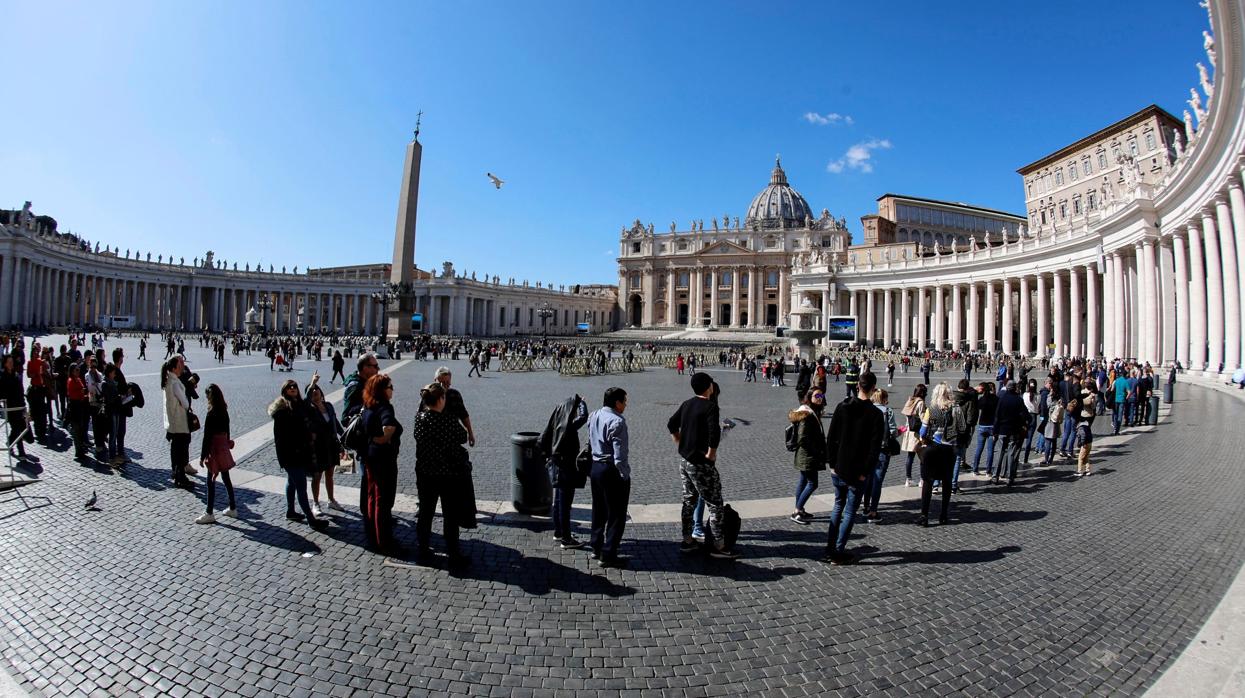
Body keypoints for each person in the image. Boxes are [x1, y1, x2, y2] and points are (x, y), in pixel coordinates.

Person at [668, 372, 738, 559]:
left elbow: (671, 424)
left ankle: (687, 541)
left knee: (688, 501)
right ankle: (718, 545)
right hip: (701, 464)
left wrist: (680, 443)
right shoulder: (710, 406)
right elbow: (714, 433)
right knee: (715, 504)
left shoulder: (687, 403)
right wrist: (711, 455)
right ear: (709, 387)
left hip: (685, 462)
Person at [821, 371, 884, 564]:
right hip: (858, 473)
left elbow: (831, 438)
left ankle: (830, 548)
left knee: (838, 506)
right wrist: (865, 473)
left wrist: (831, 464)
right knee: (849, 511)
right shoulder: (875, 414)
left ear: (858, 386)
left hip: (839, 467)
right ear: (873, 389)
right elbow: (874, 450)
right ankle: (838, 551)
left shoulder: (842, 407)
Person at [412, 381, 471, 567]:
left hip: (425, 472)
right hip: (447, 474)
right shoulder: (447, 420)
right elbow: (462, 436)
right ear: (440, 399)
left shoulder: (419, 418)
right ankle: (453, 553)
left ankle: (422, 548)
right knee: (450, 515)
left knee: (426, 512)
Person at [269, 379, 329, 531]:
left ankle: (290, 512)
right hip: (291, 455)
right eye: (289, 387)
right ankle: (311, 519)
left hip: (299, 452)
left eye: (295, 386)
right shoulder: (282, 410)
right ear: (284, 390)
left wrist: (313, 383)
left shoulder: (298, 405)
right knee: (301, 485)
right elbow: (281, 438)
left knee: (291, 482)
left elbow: (307, 399)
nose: (293, 388)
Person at [588, 387, 632, 568]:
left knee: (598, 509)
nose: (626, 404)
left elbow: (590, 440)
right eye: (625, 401)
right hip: (610, 470)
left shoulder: (593, 415)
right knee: (617, 513)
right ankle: (608, 553)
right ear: (617, 403)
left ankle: (596, 545)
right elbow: (619, 455)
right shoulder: (618, 422)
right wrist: (624, 474)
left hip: (595, 467)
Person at [539, 393, 589, 548]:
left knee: (559, 501)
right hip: (566, 467)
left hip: (556, 465)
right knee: (565, 503)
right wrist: (581, 403)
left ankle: (559, 532)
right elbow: (584, 417)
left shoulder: (557, 422)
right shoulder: (568, 426)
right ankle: (566, 539)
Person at [343, 353, 380, 530]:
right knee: (367, 478)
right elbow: (346, 415)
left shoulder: (366, 383)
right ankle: (368, 515)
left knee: (369, 479)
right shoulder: (355, 387)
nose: (377, 369)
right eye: (374, 366)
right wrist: (367, 411)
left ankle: (371, 512)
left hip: (369, 438)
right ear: (365, 368)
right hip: (364, 440)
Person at [917, 382, 962, 526]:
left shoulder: (932, 409)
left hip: (933, 448)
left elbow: (923, 431)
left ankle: (924, 515)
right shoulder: (957, 409)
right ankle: (943, 514)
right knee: (947, 482)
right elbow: (962, 428)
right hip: (949, 449)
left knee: (928, 482)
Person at [196, 384, 239, 524]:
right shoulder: (224, 410)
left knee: (210, 480)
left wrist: (203, 456)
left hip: (214, 448)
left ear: (210, 397)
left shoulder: (211, 413)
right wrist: (226, 443)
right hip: (223, 447)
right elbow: (227, 430)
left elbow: (207, 436)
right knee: (226, 478)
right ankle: (232, 508)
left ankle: (209, 512)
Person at [306, 379, 344, 515]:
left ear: (322, 393)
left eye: (317, 389)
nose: (315, 391)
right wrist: (312, 383)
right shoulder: (309, 410)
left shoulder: (328, 406)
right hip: (317, 447)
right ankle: (315, 503)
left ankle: (331, 500)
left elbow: (335, 422)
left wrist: (343, 436)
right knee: (317, 476)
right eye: (312, 391)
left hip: (331, 444)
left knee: (330, 474)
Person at [788, 388, 826, 524]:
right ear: (809, 397)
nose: (820, 397)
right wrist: (816, 450)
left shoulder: (811, 412)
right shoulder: (807, 414)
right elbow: (802, 438)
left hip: (806, 455)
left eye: (821, 395)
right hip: (808, 455)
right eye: (817, 396)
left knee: (803, 481)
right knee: (812, 483)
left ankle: (799, 509)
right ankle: (797, 511)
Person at [862, 389, 898, 522]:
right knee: (877, 481)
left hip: (867, 450)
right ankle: (873, 511)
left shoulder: (866, 409)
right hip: (882, 449)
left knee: (867, 478)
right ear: (883, 398)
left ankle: (865, 507)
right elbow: (893, 432)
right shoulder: (887, 411)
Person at [162, 356, 194, 489]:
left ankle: (177, 473)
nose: (183, 365)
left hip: (173, 421)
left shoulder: (169, 380)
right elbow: (185, 403)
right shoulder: (175, 383)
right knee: (181, 450)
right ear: (174, 367)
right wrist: (185, 402)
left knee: (176, 449)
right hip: (179, 421)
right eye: (180, 363)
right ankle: (181, 476)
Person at [991, 381, 1029, 487]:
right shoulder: (1018, 400)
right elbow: (1025, 414)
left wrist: (995, 431)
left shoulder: (1002, 399)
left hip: (1002, 430)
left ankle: (995, 476)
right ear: (1015, 388)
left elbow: (997, 416)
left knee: (1000, 452)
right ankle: (1010, 477)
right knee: (1011, 454)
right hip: (1014, 430)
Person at [432, 367, 475, 447]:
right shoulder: (428, 395)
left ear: (450, 381)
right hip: (433, 440)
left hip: (452, 439)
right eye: (440, 382)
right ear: (435, 381)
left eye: (447, 382)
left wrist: (470, 433)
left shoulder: (454, 395)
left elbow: (463, 415)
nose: (443, 386)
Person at [0, 354, 27, 462]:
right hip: (10, 408)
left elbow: (21, 392)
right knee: (16, 428)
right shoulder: (2, 376)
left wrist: (24, 406)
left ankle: (10, 442)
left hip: (19, 406)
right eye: (9, 362)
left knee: (20, 429)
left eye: (12, 362)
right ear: (5, 363)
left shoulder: (16, 375)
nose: (11, 364)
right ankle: (21, 452)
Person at [899, 384, 926, 487]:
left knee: (910, 456)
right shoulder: (920, 403)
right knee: (922, 456)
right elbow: (923, 418)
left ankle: (908, 479)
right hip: (917, 433)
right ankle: (922, 480)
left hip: (909, 431)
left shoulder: (910, 400)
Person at [970, 382, 998, 476]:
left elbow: (977, 406)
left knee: (979, 449)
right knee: (990, 450)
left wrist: (975, 390)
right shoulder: (996, 399)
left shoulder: (982, 399)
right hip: (992, 426)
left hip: (982, 425)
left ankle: (975, 469)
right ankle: (988, 471)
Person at [65, 363, 89, 459]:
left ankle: (81, 447)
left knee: (81, 427)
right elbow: (73, 394)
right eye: (76, 370)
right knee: (77, 429)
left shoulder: (78, 380)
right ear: (72, 371)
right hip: (74, 406)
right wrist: (81, 393)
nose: (78, 372)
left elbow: (82, 390)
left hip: (80, 406)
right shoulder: (71, 381)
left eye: (78, 370)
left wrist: (84, 394)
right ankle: (78, 450)